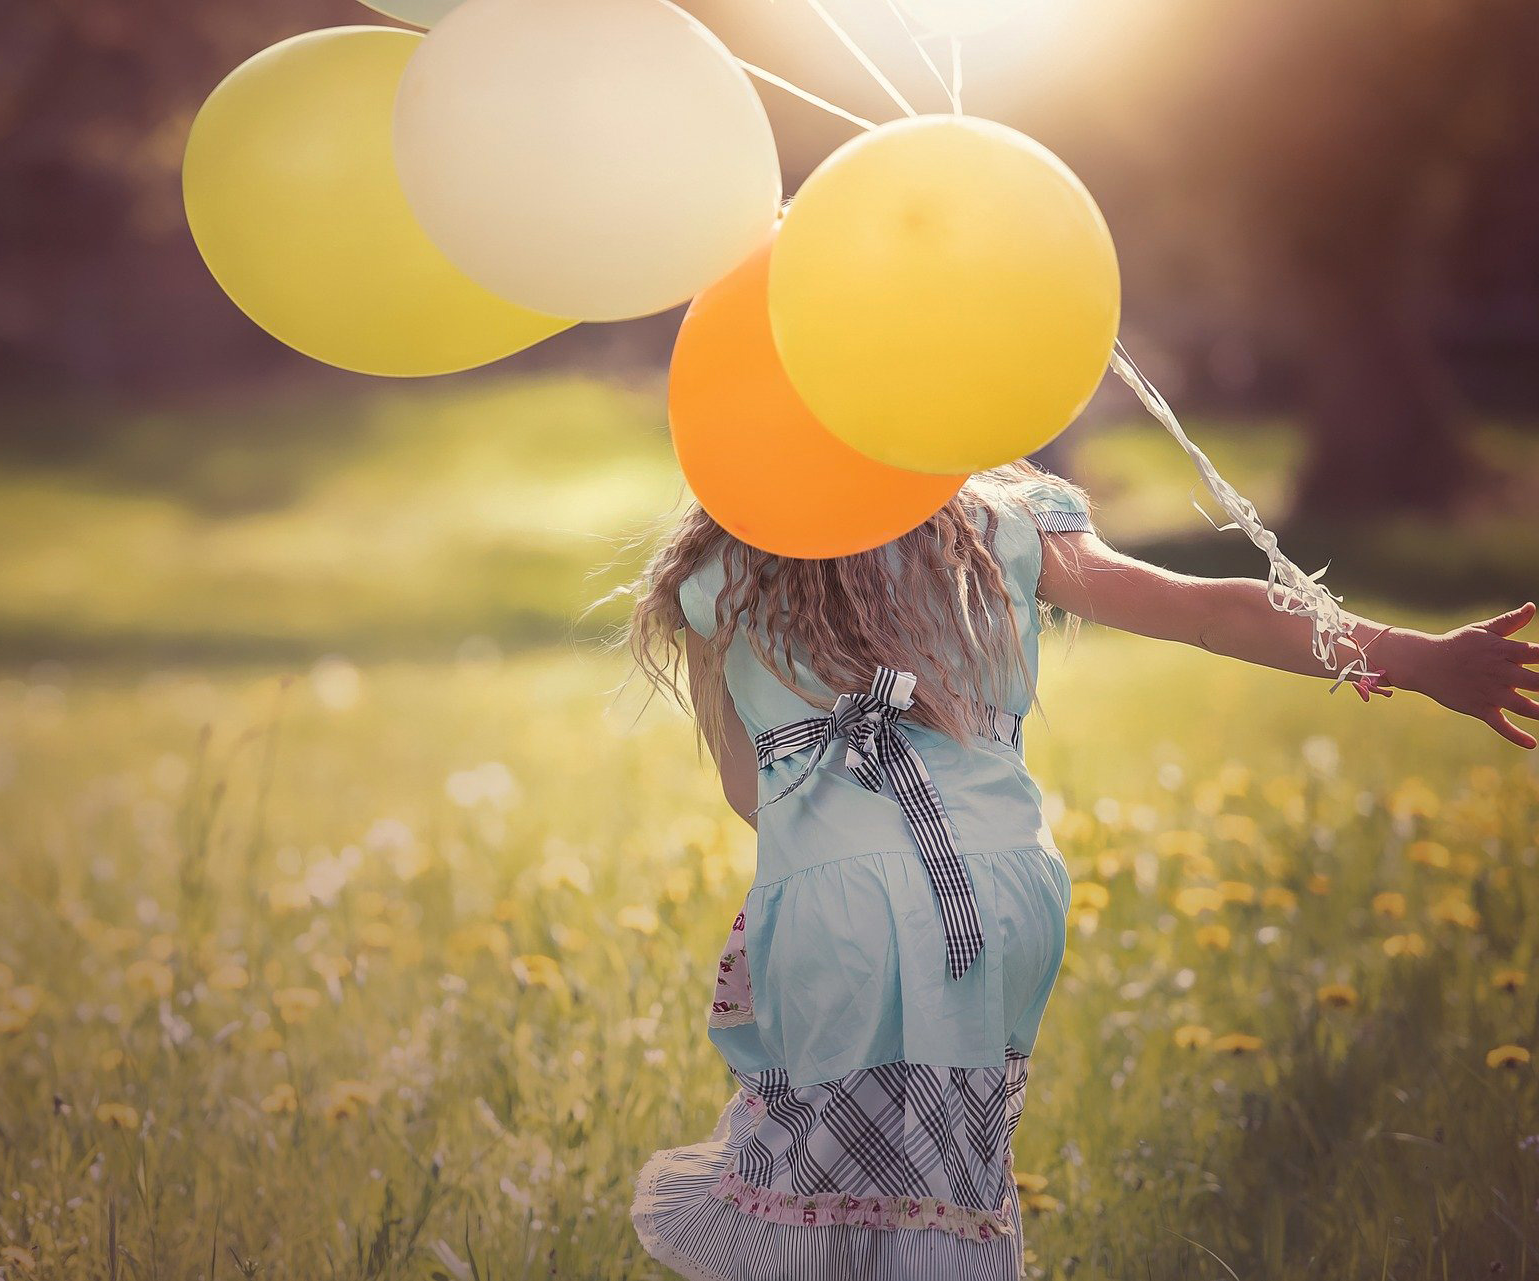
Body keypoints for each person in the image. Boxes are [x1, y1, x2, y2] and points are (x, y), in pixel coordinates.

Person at [619, 461, 1539, 1281]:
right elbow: (1207, 609)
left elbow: (751, 791)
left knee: (830, 1193)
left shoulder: (719, 564)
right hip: (999, 886)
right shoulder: (994, 509)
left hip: (838, 897)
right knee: (950, 1181)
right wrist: (1421, 659)